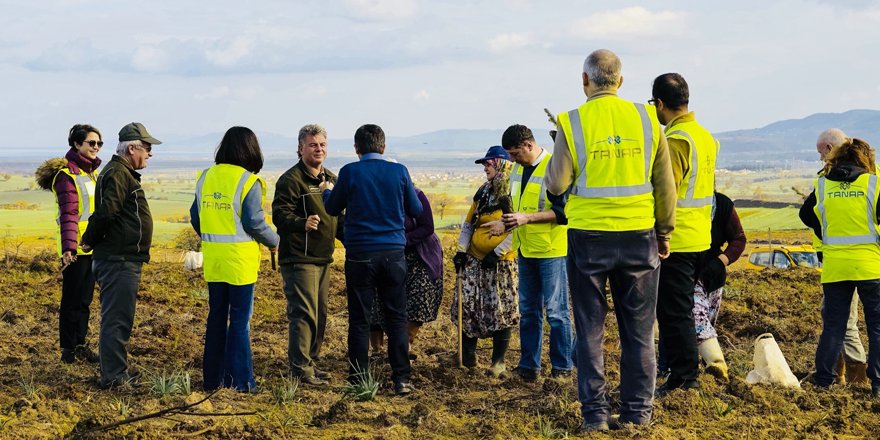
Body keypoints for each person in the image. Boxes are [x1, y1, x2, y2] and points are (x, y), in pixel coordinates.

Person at [545, 49, 676, 431]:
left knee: (589, 328)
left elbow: (556, 183)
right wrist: (663, 232)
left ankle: (596, 416)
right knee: (639, 331)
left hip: (588, 238)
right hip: (639, 237)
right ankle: (638, 414)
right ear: (621, 81)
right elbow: (664, 185)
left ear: (584, 80)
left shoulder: (572, 122)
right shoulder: (648, 117)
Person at [322, 124, 422, 395]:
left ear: (356, 148)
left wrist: (327, 191)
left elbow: (332, 208)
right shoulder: (399, 171)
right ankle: (402, 378)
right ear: (383, 146)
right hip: (393, 255)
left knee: (359, 320)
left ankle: (358, 379)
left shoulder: (350, 172)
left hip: (360, 256)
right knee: (396, 318)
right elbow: (416, 209)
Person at [190, 126, 279, 392]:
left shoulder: (205, 177)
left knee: (216, 317)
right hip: (240, 263)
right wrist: (275, 241)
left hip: (214, 260)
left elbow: (196, 218)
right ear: (251, 149)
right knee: (240, 321)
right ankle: (241, 382)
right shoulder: (248, 181)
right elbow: (254, 222)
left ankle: (212, 380)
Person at [651, 73, 718, 395]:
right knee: (680, 309)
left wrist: (659, 232)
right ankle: (683, 375)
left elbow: (668, 192)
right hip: (700, 237)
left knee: (674, 313)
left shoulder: (677, 140)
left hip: (677, 240)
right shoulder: (704, 136)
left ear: (660, 103)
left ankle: (685, 378)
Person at [81, 122, 161, 389]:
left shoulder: (122, 172)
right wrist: (88, 240)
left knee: (120, 318)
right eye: (147, 148)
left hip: (123, 258)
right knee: (117, 319)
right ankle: (114, 377)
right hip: (118, 259)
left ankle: (117, 371)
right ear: (131, 148)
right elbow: (107, 213)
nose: (150, 154)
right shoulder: (117, 173)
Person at [799, 137, 880, 397]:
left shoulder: (823, 185)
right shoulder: (874, 184)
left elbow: (806, 215)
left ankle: (824, 380)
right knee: (876, 327)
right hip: (870, 266)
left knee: (834, 326)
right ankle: (877, 383)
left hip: (835, 267)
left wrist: (826, 231)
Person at [493, 124, 572, 382]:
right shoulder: (517, 170)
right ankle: (529, 367)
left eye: (516, 153)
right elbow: (517, 210)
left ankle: (562, 368)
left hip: (551, 251)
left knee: (557, 313)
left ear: (529, 145)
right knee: (528, 311)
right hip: (525, 250)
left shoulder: (553, 166)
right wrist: (503, 224)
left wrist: (527, 218)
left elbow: (563, 213)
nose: (513, 159)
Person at [272, 124, 340, 386]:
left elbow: (340, 217)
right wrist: (302, 222)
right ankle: (300, 368)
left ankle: (311, 361)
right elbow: (279, 215)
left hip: (323, 257)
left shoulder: (331, 179)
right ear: (300, 149)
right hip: (299, 258)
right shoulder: (291, 180)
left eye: (322, 144)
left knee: (320, 314)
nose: (319, 149)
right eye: (313, 145)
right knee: (303, 314)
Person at [35, 124, 103, 364]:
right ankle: (68, 350)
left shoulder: (90, 174)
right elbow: (69, 215)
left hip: (92, 246)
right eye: (91, 143)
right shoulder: (67, 175)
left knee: (85, 299)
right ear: (77, 144)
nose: (96, 147)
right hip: (75, 249)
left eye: (98, 143)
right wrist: (69, 249)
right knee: (72, 299)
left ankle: (81, 344)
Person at [452, 146, 519, 378]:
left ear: (501, 164)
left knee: (500, 309)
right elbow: (469, 223)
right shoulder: (483, 192)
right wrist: (461, 251)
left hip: (501, 263)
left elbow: (519, 229)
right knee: (468, 305)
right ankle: (467, 356)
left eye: (488, 164)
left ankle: (498, 362)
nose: (485, 169)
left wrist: (498, 252)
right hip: (474, 260)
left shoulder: (512, 192)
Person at [813, 128, 869, 385]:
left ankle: (852, 375)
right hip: (862, 261)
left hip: (842, 261)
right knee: (847, 321)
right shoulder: (868, 178)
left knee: (842, 322)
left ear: (829, 149)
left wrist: (825, 235)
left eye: (821, 153)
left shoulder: (831, 181)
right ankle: (844, 374)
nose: (821, 160)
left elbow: (808, 215)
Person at [369, 187, 444, 355]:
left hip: (419, 253)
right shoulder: (376, 196)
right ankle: (377, 351)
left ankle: (403, 346)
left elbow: (427, 227)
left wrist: (401, 240)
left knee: (419, 296)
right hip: (386, 253)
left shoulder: (416, 196)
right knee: (375, 297)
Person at [691, 192, 745, 382]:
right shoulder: (679, 200)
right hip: (686, 271)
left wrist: (721, 260)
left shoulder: (722, 204)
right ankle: (717, 365)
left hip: (713, 274)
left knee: (707, 322)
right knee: (696, 318)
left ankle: (704, 372)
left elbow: (738, 239)